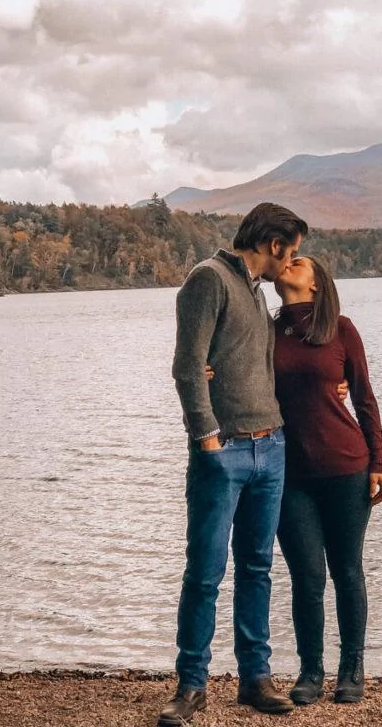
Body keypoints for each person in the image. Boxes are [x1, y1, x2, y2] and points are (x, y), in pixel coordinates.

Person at [161, 202, 307, 727]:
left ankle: (254, 679)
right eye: (290, 251)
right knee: (205, 572)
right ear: (272, 245)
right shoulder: (209, 279)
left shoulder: (255, 290)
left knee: (257, 569)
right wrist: (206, 439)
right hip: (224, 453)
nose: (291, 261)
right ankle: (191, 686)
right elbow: (186, 367)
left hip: (272, 449)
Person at [272, 255, 382, 705]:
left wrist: (378, 461)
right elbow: (240, 377)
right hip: (290, 475)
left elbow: (364, 398)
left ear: (317, 284)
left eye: (297, 261)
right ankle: (310, 672)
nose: (287, 263)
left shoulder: (341, 329)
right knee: (306, 575)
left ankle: (352, 668)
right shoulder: (268, 330)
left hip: (347, 467)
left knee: (347, 570)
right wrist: (208, 370)